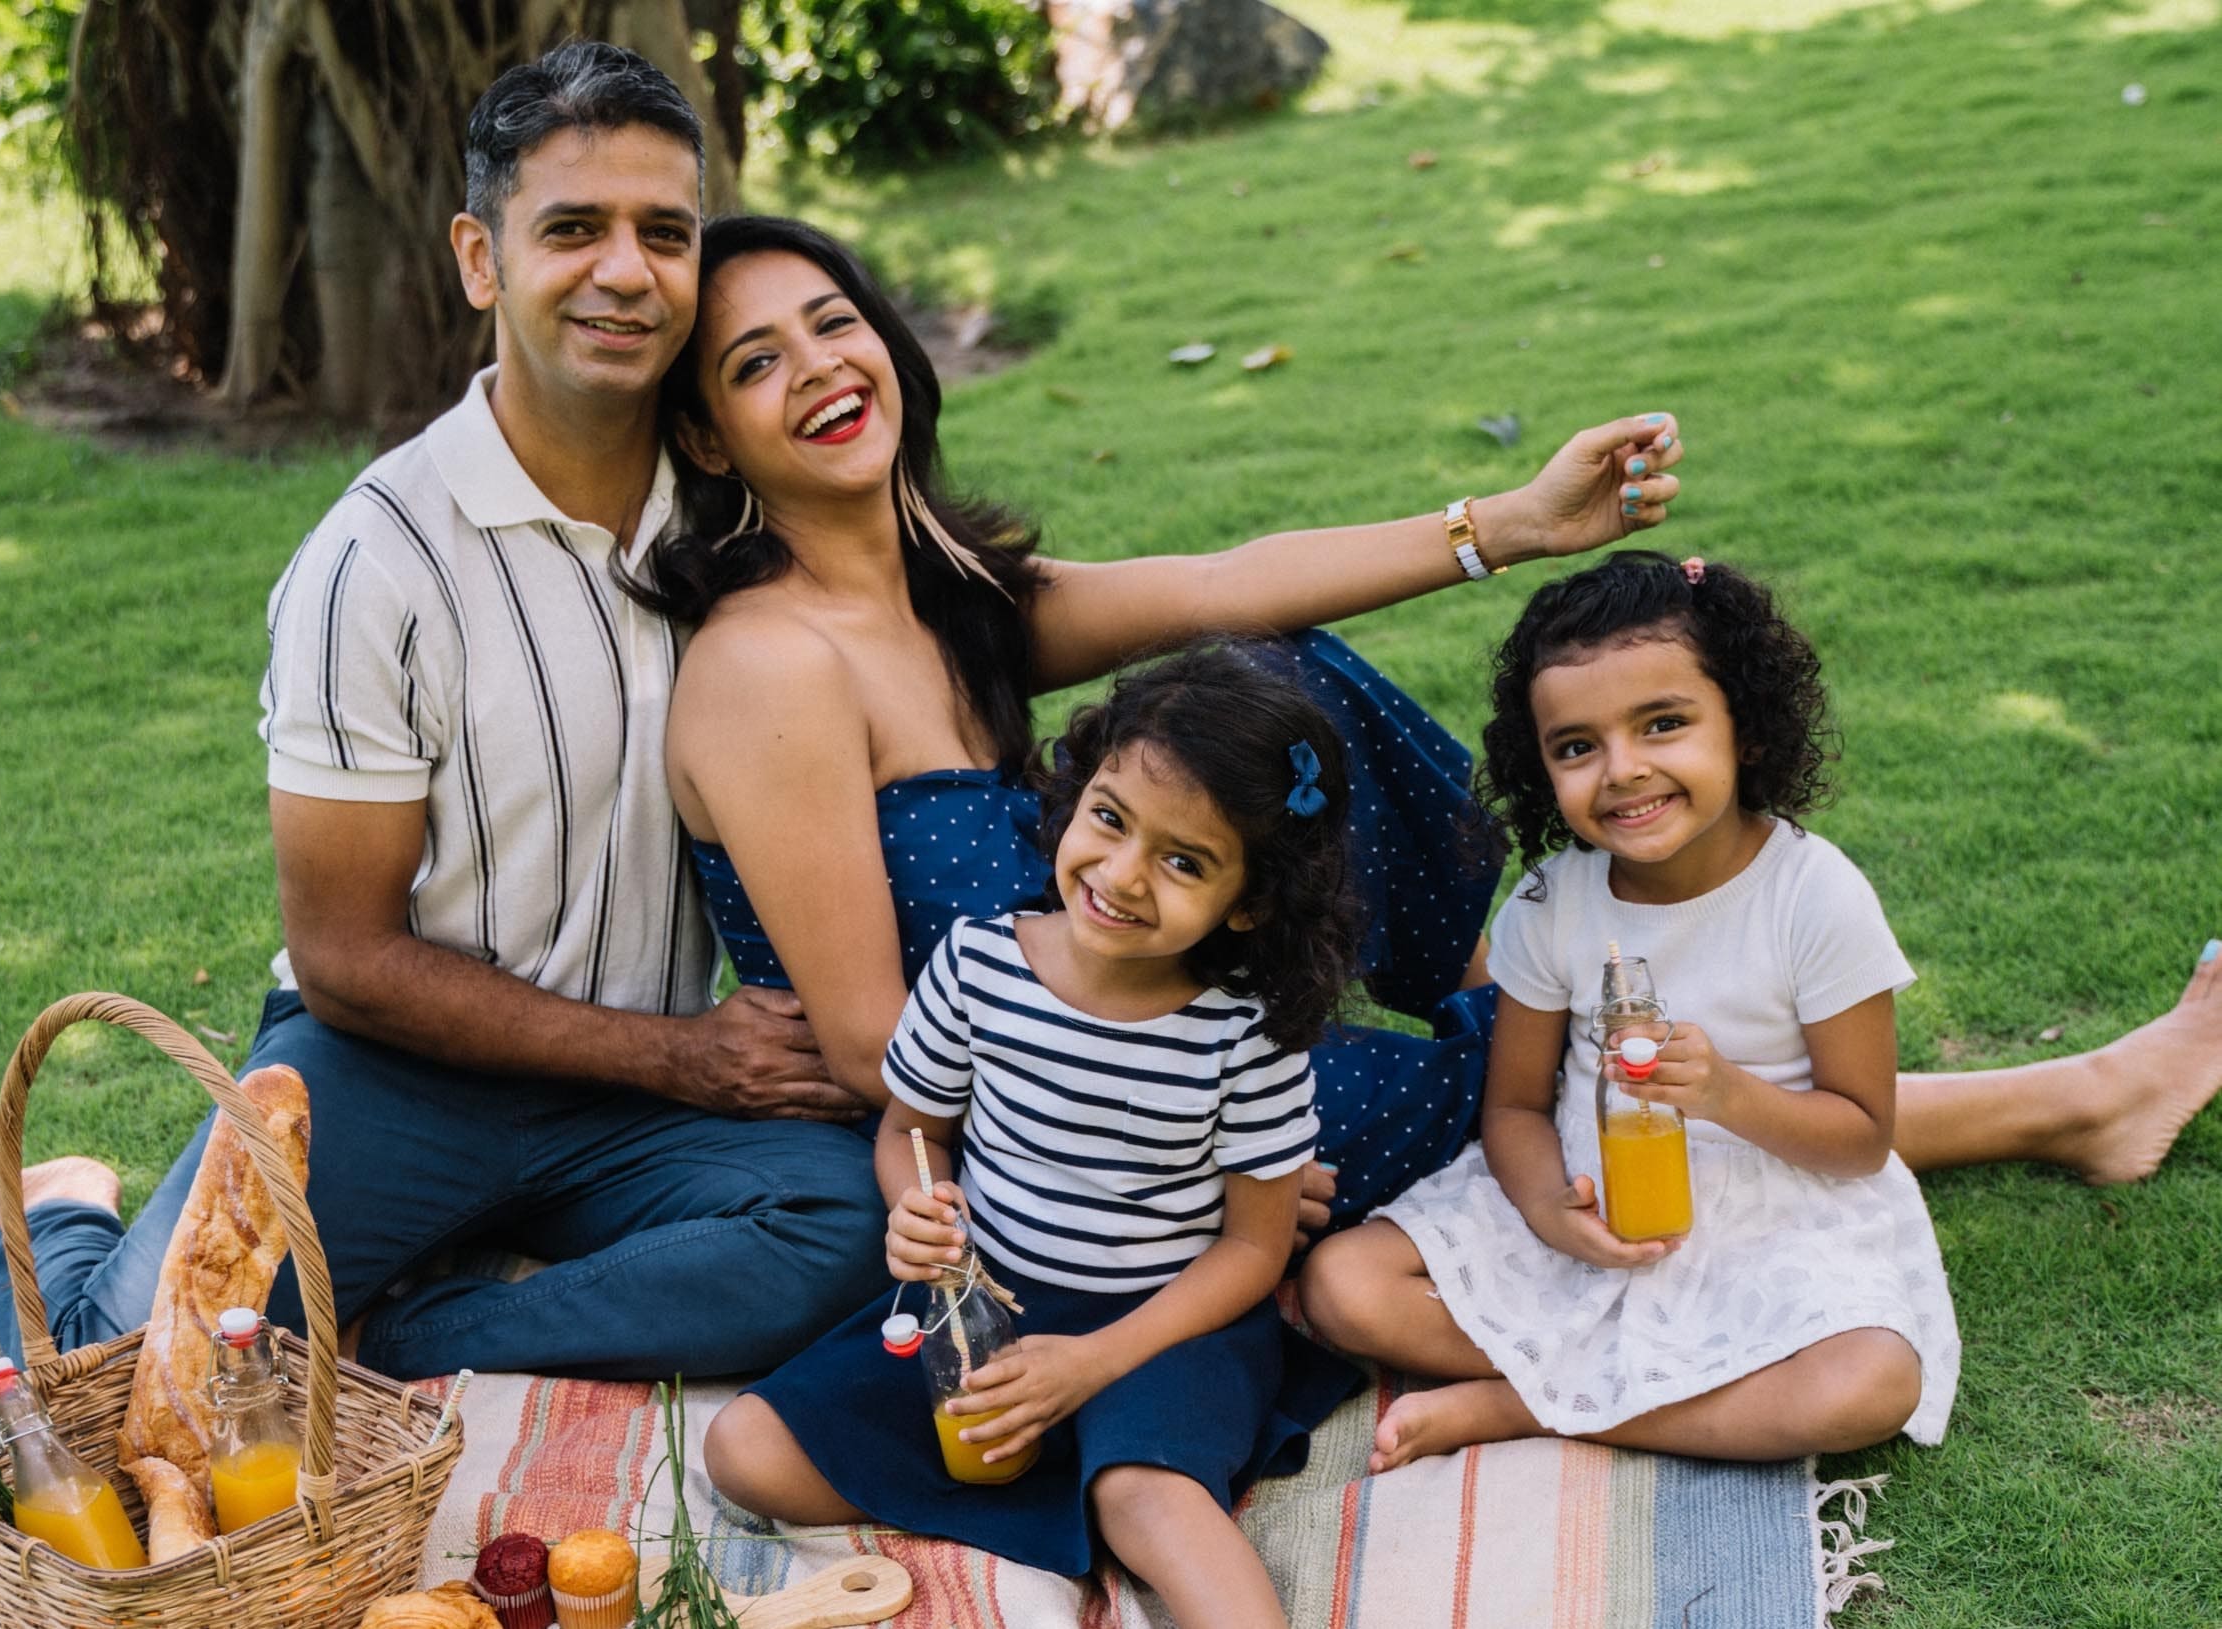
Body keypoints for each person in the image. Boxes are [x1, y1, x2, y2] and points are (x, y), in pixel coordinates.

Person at [644, 214, 2222, 1254]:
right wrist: (1209, 1109)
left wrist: (1512, 524)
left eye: (830, 323)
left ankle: (1505, 971)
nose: (819, 372)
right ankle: (2066, 1100)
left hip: (1146, 982)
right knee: (1530, 1102)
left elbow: (1227, 582)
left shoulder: (945, 596)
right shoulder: (769, 663)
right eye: (753, 363)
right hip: (1065, 1112)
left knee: (1273, 669)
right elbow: (872, 1050)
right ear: (709, 434)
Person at [0, 43, 884, 1380]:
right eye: (572, 230)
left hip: (623, 1109)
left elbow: (959, 605)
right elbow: (345, 960)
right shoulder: (373, 562)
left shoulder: (728, 497)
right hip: (389, 1077)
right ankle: (47, 1211)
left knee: (853, 1224)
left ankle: (413, 1332)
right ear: (480, 260)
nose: (626, 271)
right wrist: (685, 1057)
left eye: (665, 233)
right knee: (121, 1375)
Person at [705, 644, 1367, 1624]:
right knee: (743, 1452)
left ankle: (1108, 1478)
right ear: (1076, 795)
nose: (1122, 873)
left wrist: (1092, 1365)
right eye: (1110, 819)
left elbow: (1253, 1248)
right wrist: (916, 1209)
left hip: (1164, 1329)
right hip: (986, 1311)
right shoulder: (978, 965)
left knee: (1151, 1499)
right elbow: (909, 1132)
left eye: (1184, 862)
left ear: (1250, 900)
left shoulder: (1243, 1032)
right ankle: (1065, 1484)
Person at [1300, 552, 1962, 1470]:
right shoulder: (1551, 901)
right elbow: (1515, 1107)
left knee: (1870, 1381)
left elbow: (1859, 1136)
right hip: (1590, 1186)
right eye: (1576, 745)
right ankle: (1627, 1385)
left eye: (1663, 723)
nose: (1623, 770)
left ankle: (1532, 1405)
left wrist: (1725, 1093)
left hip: (1767, 1208)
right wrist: (1546, 1210)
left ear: (1747, 726)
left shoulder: (1813, 895)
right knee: (1344, 1285)